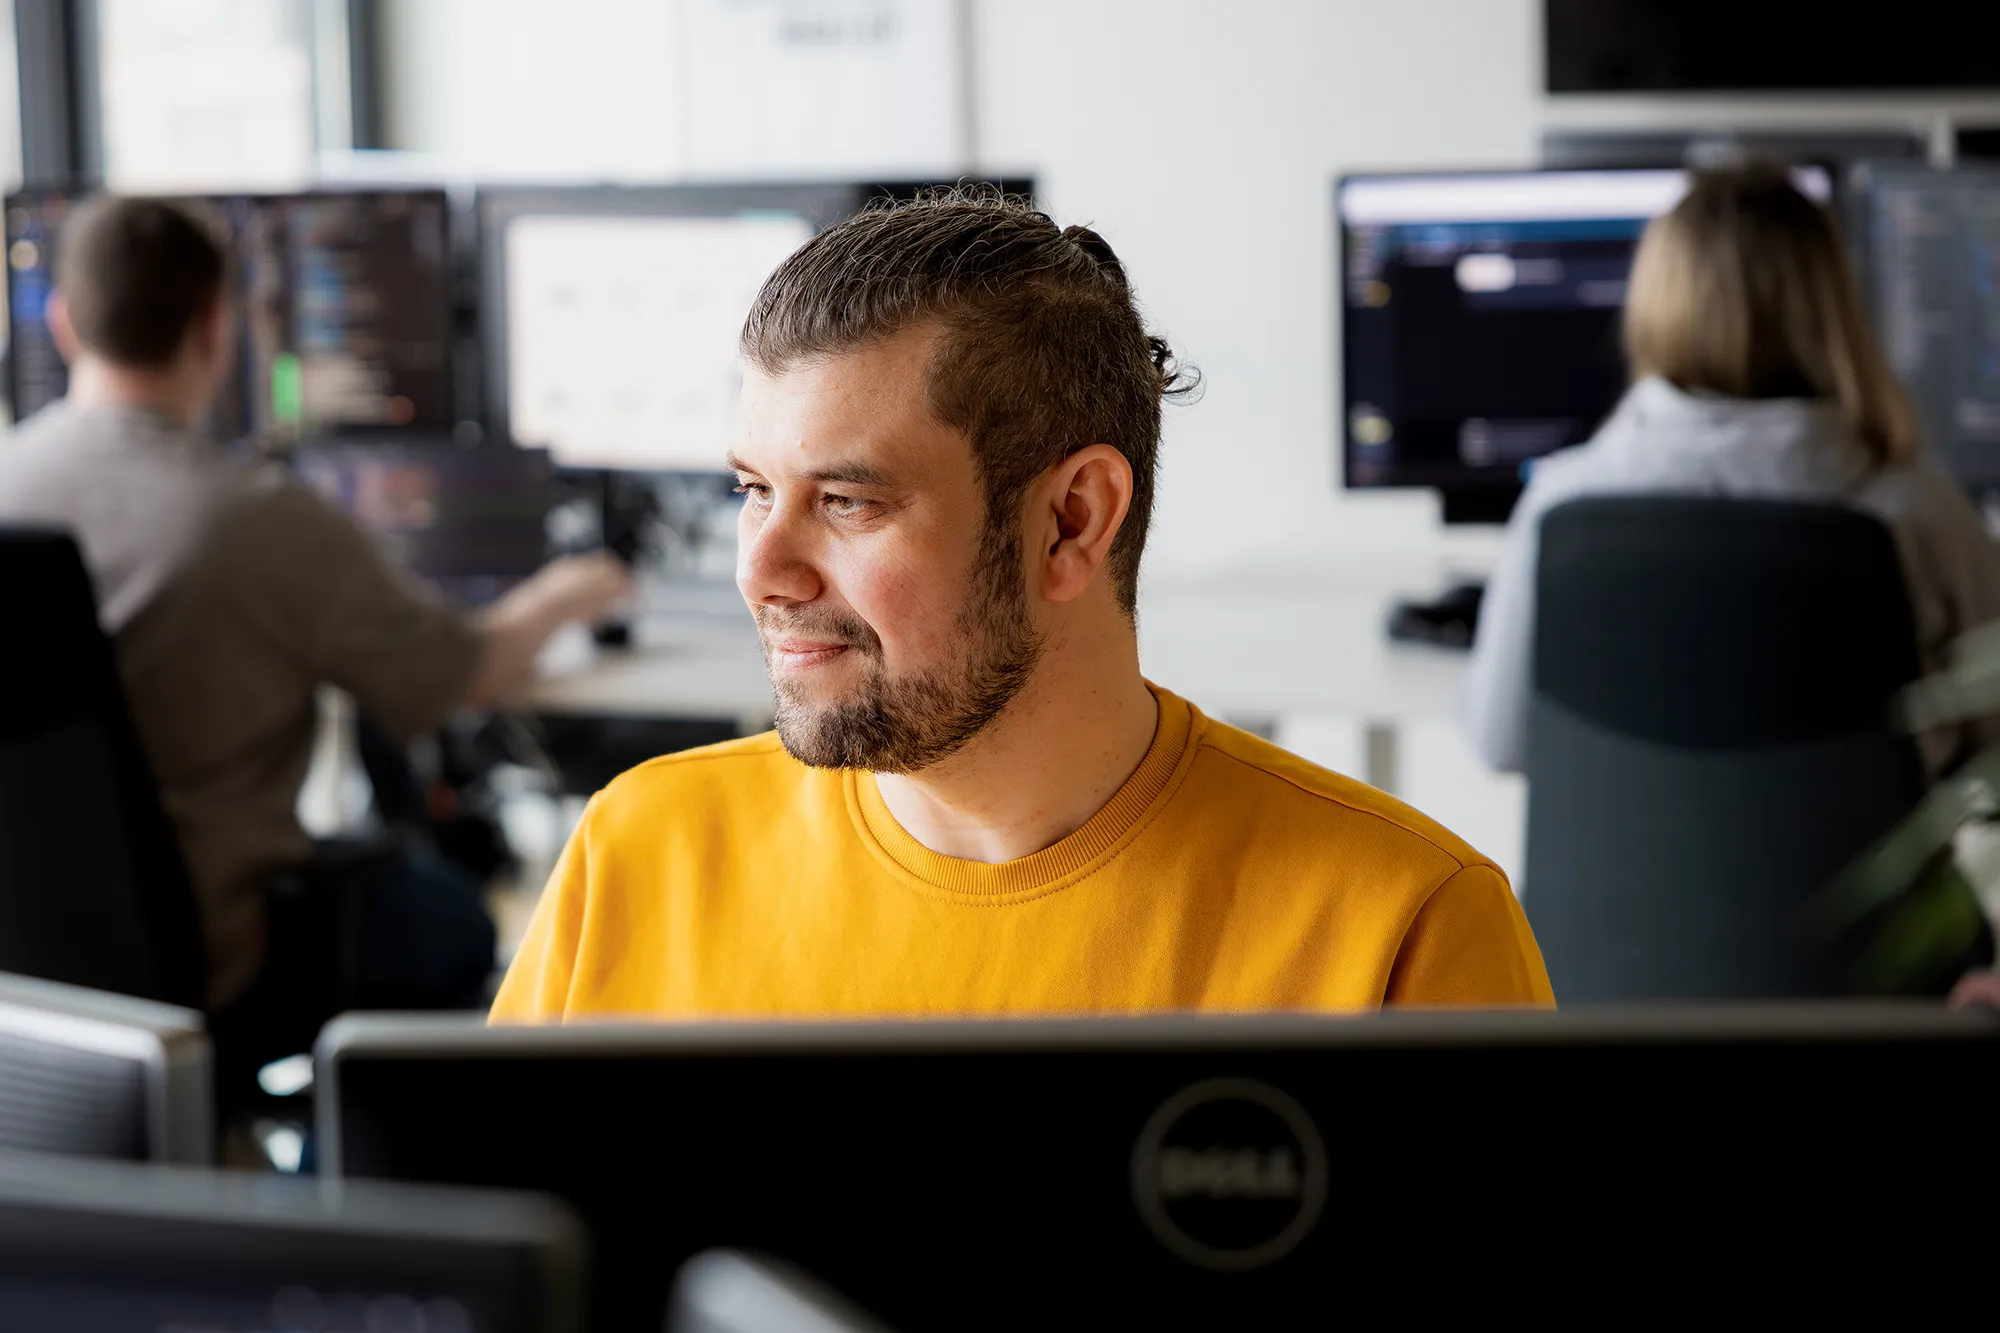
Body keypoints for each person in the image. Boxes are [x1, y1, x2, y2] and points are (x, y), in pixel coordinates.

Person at [493, 192, 1551, 1022]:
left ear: (1071, 522)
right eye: (753, 491)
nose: (760, 570)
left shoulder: (1401, 927)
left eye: (847, 501)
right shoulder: (637, 851)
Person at [0, 195, 631, 1018]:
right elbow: (461, 676)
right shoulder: (258, 519)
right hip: (222, 945)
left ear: (64, 325)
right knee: (461, 925)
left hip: (27, 970)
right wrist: (568, 592)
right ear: (214, 328)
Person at [1465, 164, 2000, 777]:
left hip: (1626, 872)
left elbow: (1499, 740)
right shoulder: (1917, 510)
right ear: (1833, 307)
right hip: (1864, 873)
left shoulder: (1561, 506)